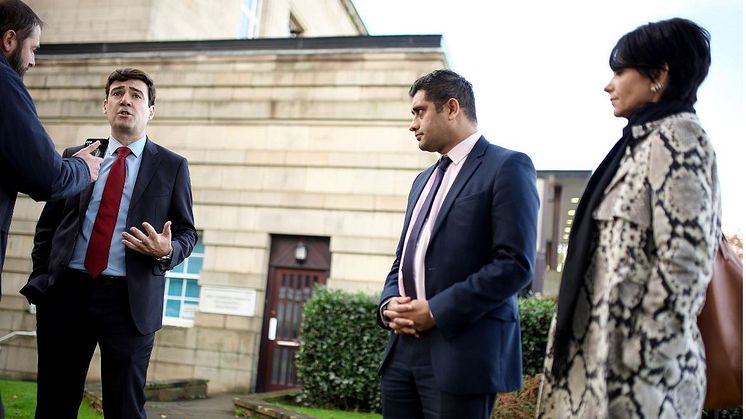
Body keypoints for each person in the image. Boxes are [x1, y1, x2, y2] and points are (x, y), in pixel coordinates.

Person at [537, 18, 720, 418]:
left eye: (620, 71)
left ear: (659, 75)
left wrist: (640, 359)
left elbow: (686, 262)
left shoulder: (679, 137)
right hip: (598, 368)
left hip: (637, 385)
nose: (609, 84)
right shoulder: (638, 146)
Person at [20, 68, 198, 419]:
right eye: (117, 93)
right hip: (67, 295)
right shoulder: (79, 155)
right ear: (105, 105)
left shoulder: (172, 166)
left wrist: (167, 251)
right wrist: (44, 279)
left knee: (125, 409)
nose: (126, 100)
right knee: (54, 404)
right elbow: (48, 228)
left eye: (136, 94)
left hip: (129, 302)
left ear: (151, 110)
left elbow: (186, 233)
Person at [376, 69, 539, 418]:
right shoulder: (421, 181)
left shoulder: (508, 166)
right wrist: (388, 304)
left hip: (464, 354)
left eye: (420, 111)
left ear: (451, 108)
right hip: (402, 352)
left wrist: (435, 311)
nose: (412, 123)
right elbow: (404, 259)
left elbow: (515, 265)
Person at [1, 0, 103, 291]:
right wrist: (83, 167)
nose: (32, 61)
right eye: (32, 49)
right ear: (9, 40)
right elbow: (48, 178)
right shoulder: (5, 84)